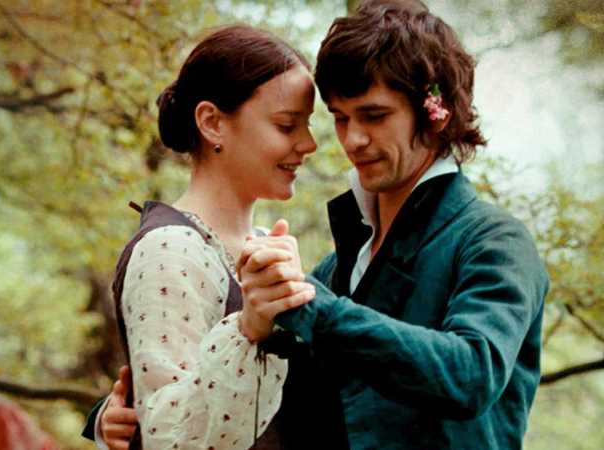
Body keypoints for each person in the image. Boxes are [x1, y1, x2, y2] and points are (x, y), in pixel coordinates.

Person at [88, 1, 550, 449]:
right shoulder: (339, 266)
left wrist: (310, 304)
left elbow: (471, 374)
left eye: (374, 116)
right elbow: (266, 398)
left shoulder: (492, 240)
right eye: (340, 118)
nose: (353, 139)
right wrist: (126, 416)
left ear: (435, 113)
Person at [90, 24, 320, 450]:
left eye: (307, 125)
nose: (309, 143)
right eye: (287, 125)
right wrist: (248, 329)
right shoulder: (169, 250)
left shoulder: (263, 243)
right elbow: (169, 434)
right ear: (213, 123)